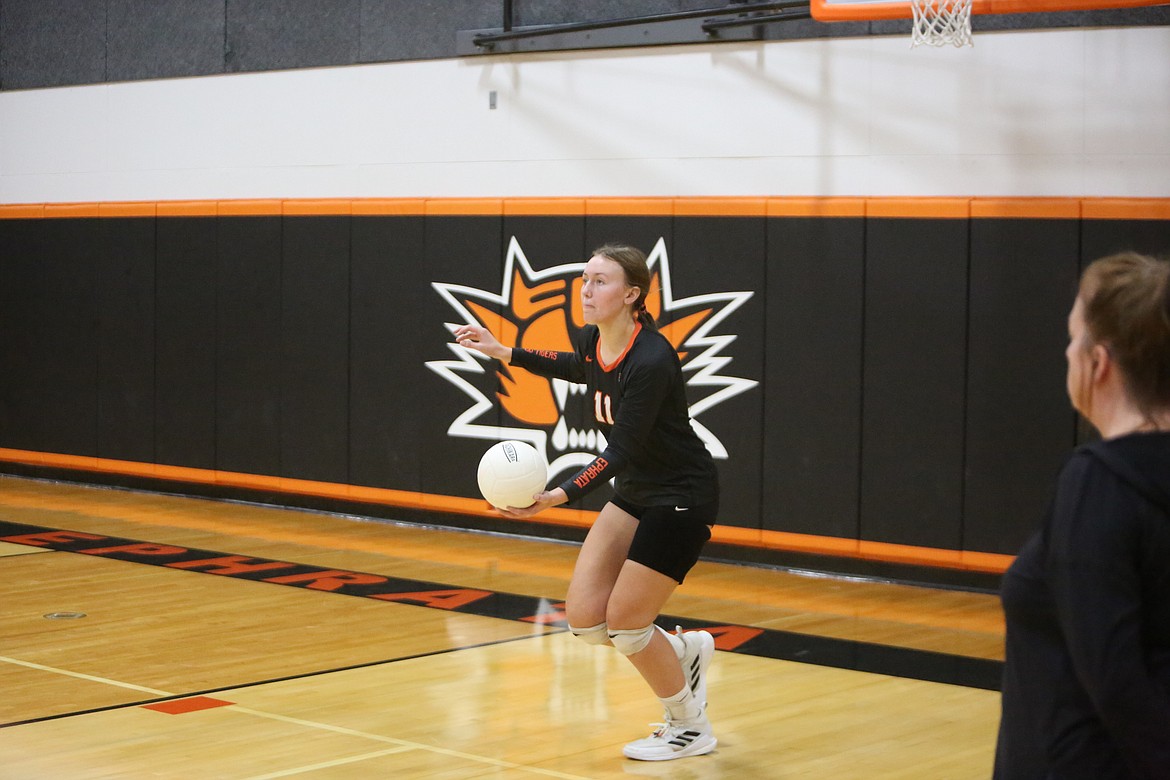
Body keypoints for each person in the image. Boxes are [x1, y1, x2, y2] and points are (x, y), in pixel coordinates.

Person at [453, 243, 720, 761]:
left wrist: (558, 494)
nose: (587, 290)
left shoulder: (652, 358)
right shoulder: (598, 340)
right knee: (586, 619)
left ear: (632, 294)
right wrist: (504, 351)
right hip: (638, 492)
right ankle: (684, 650)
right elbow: (579, 366)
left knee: (627, 624)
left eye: (600, 281)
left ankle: (689, 727)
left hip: (681, 498)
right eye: (585, 280)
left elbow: (622, 449)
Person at [995, 252, 1170, 778]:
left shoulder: (1098, 483)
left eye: (1074, 338)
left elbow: (1112, 677)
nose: (1067, 352)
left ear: (1099, 363)